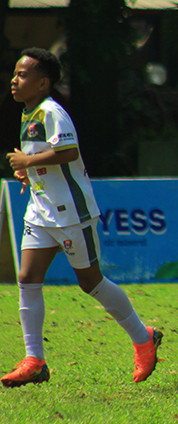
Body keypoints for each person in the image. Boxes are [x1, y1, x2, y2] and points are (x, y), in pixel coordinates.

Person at [2, 48, 161, 387]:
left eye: (23, 75)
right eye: (15, 74)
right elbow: (45, 158)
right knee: (27, 277)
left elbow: (69, 151)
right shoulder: (29, 114)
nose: (14, 80)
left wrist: (28, 163)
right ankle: (34, 360)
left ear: (43, 82)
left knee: (91, 282)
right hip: (41, 210)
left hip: (71, 212)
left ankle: (143, 337)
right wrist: (29, 174)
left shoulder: (51, 111)